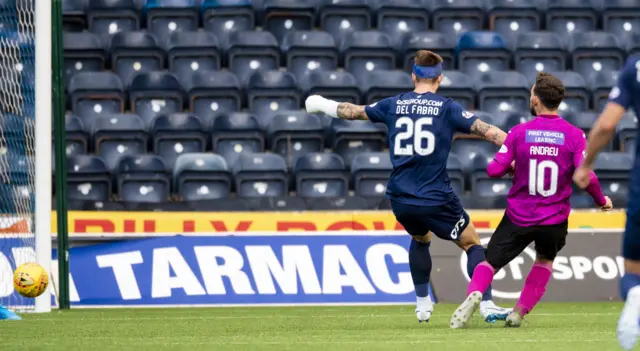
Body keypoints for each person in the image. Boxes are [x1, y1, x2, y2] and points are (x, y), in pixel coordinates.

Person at [305, 50, 511, 323]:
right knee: (472, 244)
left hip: (401, 198)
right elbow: (492, 133)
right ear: (440, 78)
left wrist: (320, 103)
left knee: (420, 238)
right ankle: (486, 304)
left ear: (413, 76)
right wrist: (522, 150)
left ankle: (423, 304)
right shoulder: (448, 107)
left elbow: (352, 112)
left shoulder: (393, 104)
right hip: (436, 196)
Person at [450, 72, 612, 329]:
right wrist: (601, 200)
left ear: (536, 100)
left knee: (489, 262)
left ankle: (476, 292)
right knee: (544, 261)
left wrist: (513, 164)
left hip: (519, 215)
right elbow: (587, 177)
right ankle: (519, 312)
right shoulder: (574, 135)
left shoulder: (519, 132)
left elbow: (493, 170)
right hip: (555, 218)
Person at [573, 55, 640, 350]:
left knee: (633, 268)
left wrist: (586, 164)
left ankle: (636, 296)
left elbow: (606, 125)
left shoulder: (636, 66)